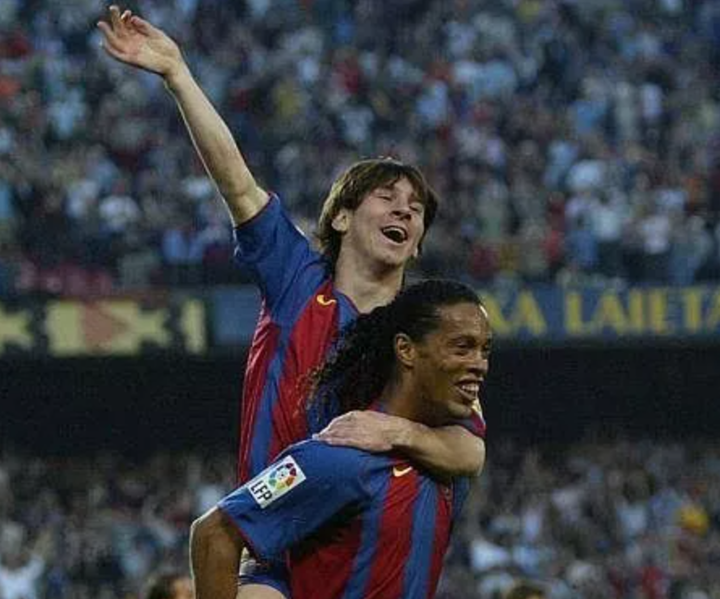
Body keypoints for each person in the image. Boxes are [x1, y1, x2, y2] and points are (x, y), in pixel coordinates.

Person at [97, 8, 486, 598]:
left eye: (415, 209)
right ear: (341, 216)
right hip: (275, 548)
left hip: (367, 543)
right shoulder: (297, 281)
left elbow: (469, 449)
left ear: (418, 243)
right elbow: (237, 183)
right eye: (387, 197)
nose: (404, 210)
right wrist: (177, 74)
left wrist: (393, 433)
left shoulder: (423, 337)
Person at [190, 279, 492, 599]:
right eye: (462, 348)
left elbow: (472, 453)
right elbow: (214, 533)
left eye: (484, 350)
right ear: (406, 350)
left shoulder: (450, 451)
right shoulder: (334, 458)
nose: (479, 364)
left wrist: (402, 432)